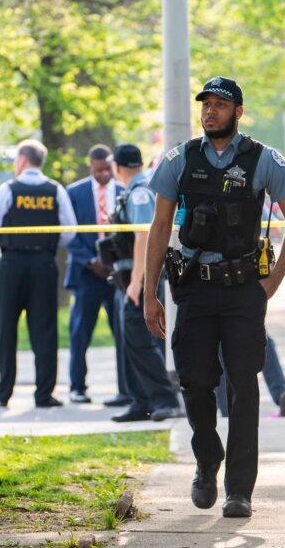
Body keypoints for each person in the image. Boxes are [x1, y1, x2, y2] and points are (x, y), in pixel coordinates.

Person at [143, 76, 285, 519]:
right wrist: (149, 293)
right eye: (206, 104)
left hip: (241, 291)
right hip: (193, 287)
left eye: (220, 104)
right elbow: (159, 228)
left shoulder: (263, 160)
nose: (210, 111)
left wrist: (271, 283)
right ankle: (207, 458)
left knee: (243, 388)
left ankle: (239, 490)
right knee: (194, 382)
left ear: (238, 111)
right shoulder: (180, 159)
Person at [0, 139, 77, 408]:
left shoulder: (8, 189)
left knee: (6, 329)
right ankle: (44, 394)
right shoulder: (55, 190)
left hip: (12, 265)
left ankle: (4, 393)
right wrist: (46, 248)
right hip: (43, 265)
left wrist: (2, 249)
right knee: (45, 330)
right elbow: (70, 230)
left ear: (22, 160)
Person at [104, 144, 183, 423]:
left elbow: (142, 238)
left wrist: (138, 282)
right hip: (130, 277)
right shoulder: (135, 190)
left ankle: (165, 399)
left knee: (139, 340)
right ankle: (142, 401)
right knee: (131, 340)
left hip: (138, 278)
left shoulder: (139, 193)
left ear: (118, 166)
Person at [65, 145, 128, 406]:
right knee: (80, 332)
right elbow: (68, 234)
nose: (103, 174)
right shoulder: (74, 193)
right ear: (90, 166)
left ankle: (126, 388)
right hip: (86, 273)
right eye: (98, 169)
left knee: (123, 332)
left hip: (117, 274)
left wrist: (115, 262)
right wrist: (91, 261)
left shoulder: (124, 192)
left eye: (107, 169)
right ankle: (77, 386)